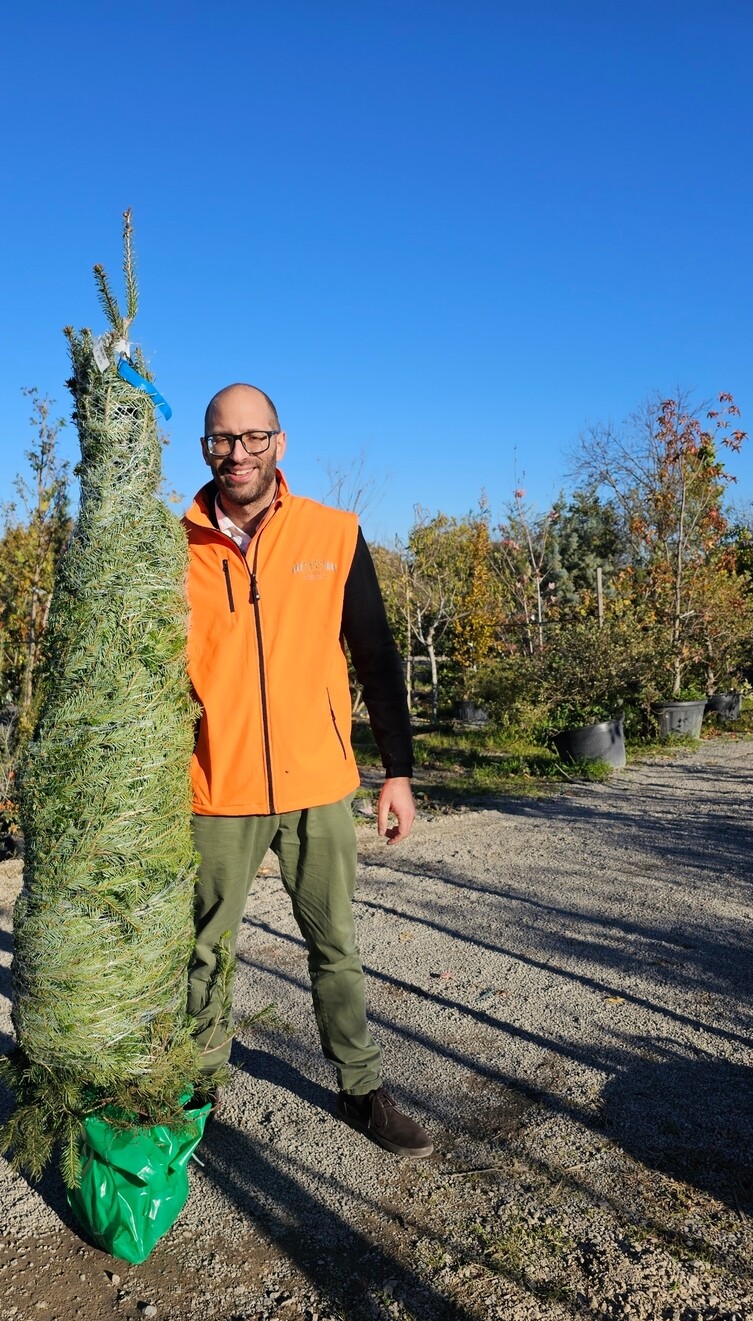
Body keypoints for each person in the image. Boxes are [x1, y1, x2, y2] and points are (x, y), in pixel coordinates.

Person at [182, 383, 433, 1158]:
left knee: (334, 944)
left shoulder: (333, 532)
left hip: (318, 781)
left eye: (253, 437)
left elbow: (377, 655)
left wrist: (398, 770)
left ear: (280, 444)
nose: (238, 454)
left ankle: (360, 1087)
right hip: (213, 786)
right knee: (201, 948)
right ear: (204, 449)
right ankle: (194, 1085)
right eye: (222, 440)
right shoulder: (171, 547)